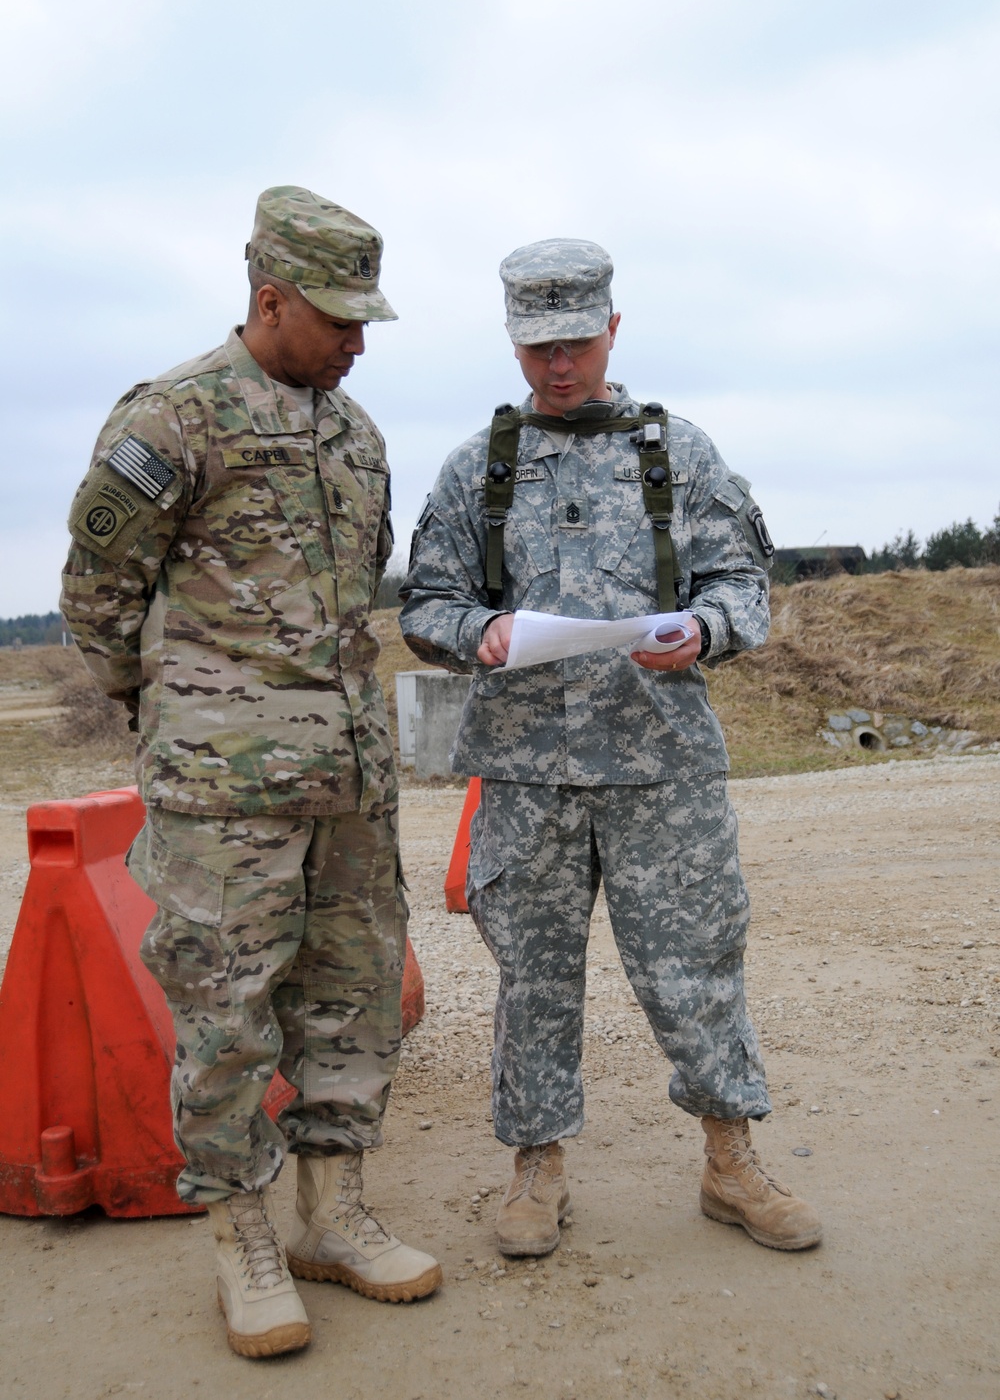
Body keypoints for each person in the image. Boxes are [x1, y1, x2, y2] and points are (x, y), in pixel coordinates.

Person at [60, 186, 441, 1359]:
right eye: (337, 317)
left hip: (350, 788)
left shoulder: (356, 433)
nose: (358, 342)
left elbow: (358, 598)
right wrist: (182, 718)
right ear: (269, 298)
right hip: (222, 797)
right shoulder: (173, 418)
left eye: (368, 319)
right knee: (225, 1014)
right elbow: (97, 597)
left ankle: (333, 1212)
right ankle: (243, 1234)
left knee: (353, 991)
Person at [399, 238, 821, 1261]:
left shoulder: (679, 452)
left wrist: (706, 632)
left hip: (661, 768)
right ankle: (536, 1171)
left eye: (576, 343)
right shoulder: (477, 470)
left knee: (695, 970)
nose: (558, 365)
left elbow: (742, 584)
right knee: (533, 978)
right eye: (538, 346)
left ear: (612, 331)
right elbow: (426, 602)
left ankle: (730, 1162)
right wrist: (475, 634)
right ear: (512, 344)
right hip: (528, 774)